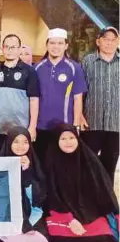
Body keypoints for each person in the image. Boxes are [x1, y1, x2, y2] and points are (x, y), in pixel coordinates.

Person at [44, 124, 119, 242]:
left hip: (90, 213)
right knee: (50, 237)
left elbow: (103, 190)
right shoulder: (51, 161)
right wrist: (69, 219)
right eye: (63, 139)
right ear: (57, 141)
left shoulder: (89, 160)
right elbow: (50, 194)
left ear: (77, 139)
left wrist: (114, 214)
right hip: (61, 212)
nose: (68, 142)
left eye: (71, 138)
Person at [34, 28, 87, 166]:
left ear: (66, 45)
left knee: (62, 166)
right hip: (41, 126)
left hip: (64, 128)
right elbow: (33, 99)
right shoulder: (37, 68)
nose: (55, 47)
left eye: (59, 43)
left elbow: (77, 98)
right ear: (47, 45)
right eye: (52, 43)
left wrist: (75, 126)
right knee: (42, 164)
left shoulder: (74, 68)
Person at [0, 126, 49, 242]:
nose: (21, 146)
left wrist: (26, 171)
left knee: (40, 240)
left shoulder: (35, 163)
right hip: (7, 214)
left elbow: (39, 196)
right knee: (15, 241)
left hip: (32, 212)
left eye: (25, 142)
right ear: (9, 143)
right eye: (16, 142)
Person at [81, 26, 119, 184]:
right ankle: (86, 202)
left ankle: (106, 204)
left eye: (113, 40)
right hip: (91, 123)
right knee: (87, 164)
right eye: (106, 39)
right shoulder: (88, 61)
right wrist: (80, 115)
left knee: (109, 166)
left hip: (116, 124)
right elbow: (80, 91)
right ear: (98, 41)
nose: (109, 43)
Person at [0, 34, 39, 156]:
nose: (9, 50)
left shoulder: (29, 71)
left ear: (19, 49)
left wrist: (32, 127)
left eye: (13, 47)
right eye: (6, 47)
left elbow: (34, 100)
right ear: (2, 48)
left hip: (21, 128)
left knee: (20, 164)